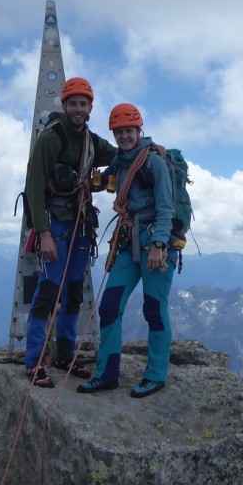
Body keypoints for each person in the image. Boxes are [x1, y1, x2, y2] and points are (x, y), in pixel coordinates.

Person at [23, 77, 117, 388]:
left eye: (84, 103)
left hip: (80, 224)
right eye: (73, 103)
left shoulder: (91, 141)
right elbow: (34, 188)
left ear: (91, 108)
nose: (79, 109)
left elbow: (119, 154)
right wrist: (44, 233)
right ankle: (34, 363)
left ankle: (63, 354)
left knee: (74, 291)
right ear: (64, 106)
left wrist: (149, 149)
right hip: (57, 226)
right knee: (48, 293)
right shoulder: (50, 140)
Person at [78, 103, 176, 399]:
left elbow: (166, 207)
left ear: (139, 130)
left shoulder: (153, 162)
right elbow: (105, 182)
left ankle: (156, 375)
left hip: (155, 245)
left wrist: (159, 244)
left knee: (154, 309)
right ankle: (106, 374)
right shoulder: (121, 162)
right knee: (109, 307)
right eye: (119, 132)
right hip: (129, 242)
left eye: (129, 131)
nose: (124, 136)